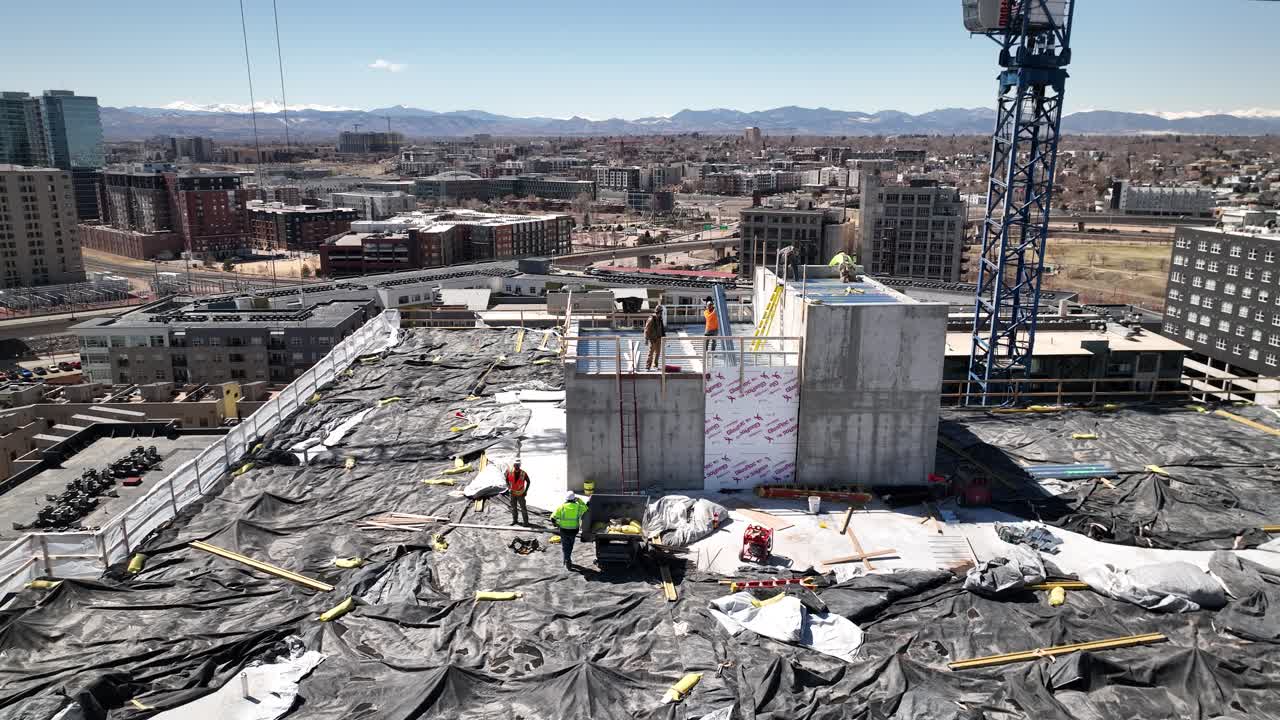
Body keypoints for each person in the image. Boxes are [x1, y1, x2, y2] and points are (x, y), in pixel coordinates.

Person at [551, 491, 587, 569]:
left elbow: (552, 518)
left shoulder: (562, 507)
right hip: (574, 530)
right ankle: (567, 558)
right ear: (574, 499)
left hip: (563, 529)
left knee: (565, 545)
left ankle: (567, 559)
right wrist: (580, 500)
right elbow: (586, 508)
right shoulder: (578, 507)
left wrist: (557, 524)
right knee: (570, 545)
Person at [505, 461, 530, 525]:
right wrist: (509, 487)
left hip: (520, 494)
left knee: (523, 508)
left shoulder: (523, 473)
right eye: (515, 465)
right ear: (514, 465)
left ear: (519, 466)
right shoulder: (510, 472)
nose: (516, 466)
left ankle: (526, 522)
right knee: (513, 508)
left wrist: (526, 491)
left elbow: (528, 481)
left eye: (517, 465)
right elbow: (506, 479)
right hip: (512, 493)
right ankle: (515, 520)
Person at [643, 305, 665, 370]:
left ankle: (655, 365)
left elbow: (662, 328)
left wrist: (663, 336)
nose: (661, 313)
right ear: (657, 312)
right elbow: (646, 329)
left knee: (658, 352)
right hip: (653, 339)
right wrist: (646, 339)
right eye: (660, 312)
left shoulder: (660, 318)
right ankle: (648, 366)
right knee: (651, 353)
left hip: (659, 338)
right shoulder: (651, 319)